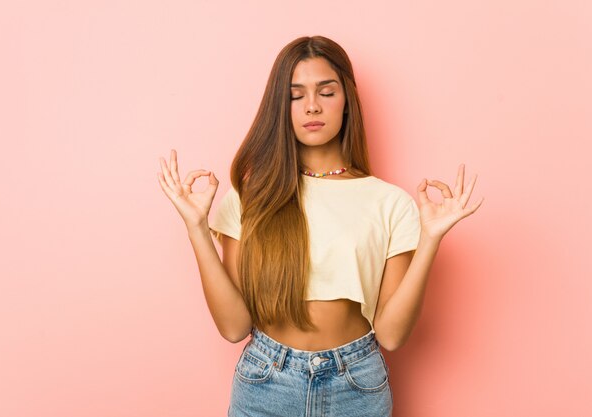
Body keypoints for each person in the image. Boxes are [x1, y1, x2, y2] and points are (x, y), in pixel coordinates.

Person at [157, 35, 483, 417]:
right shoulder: (251, 197)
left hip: (357, 385)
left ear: (347, 101)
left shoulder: (389, 203)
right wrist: (196, 227)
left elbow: (392, 335)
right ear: (281, 107)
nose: (312, 106)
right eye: (296, 96)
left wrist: (430, 239)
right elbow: (233, 327)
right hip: (265, 382)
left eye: (326, 92)